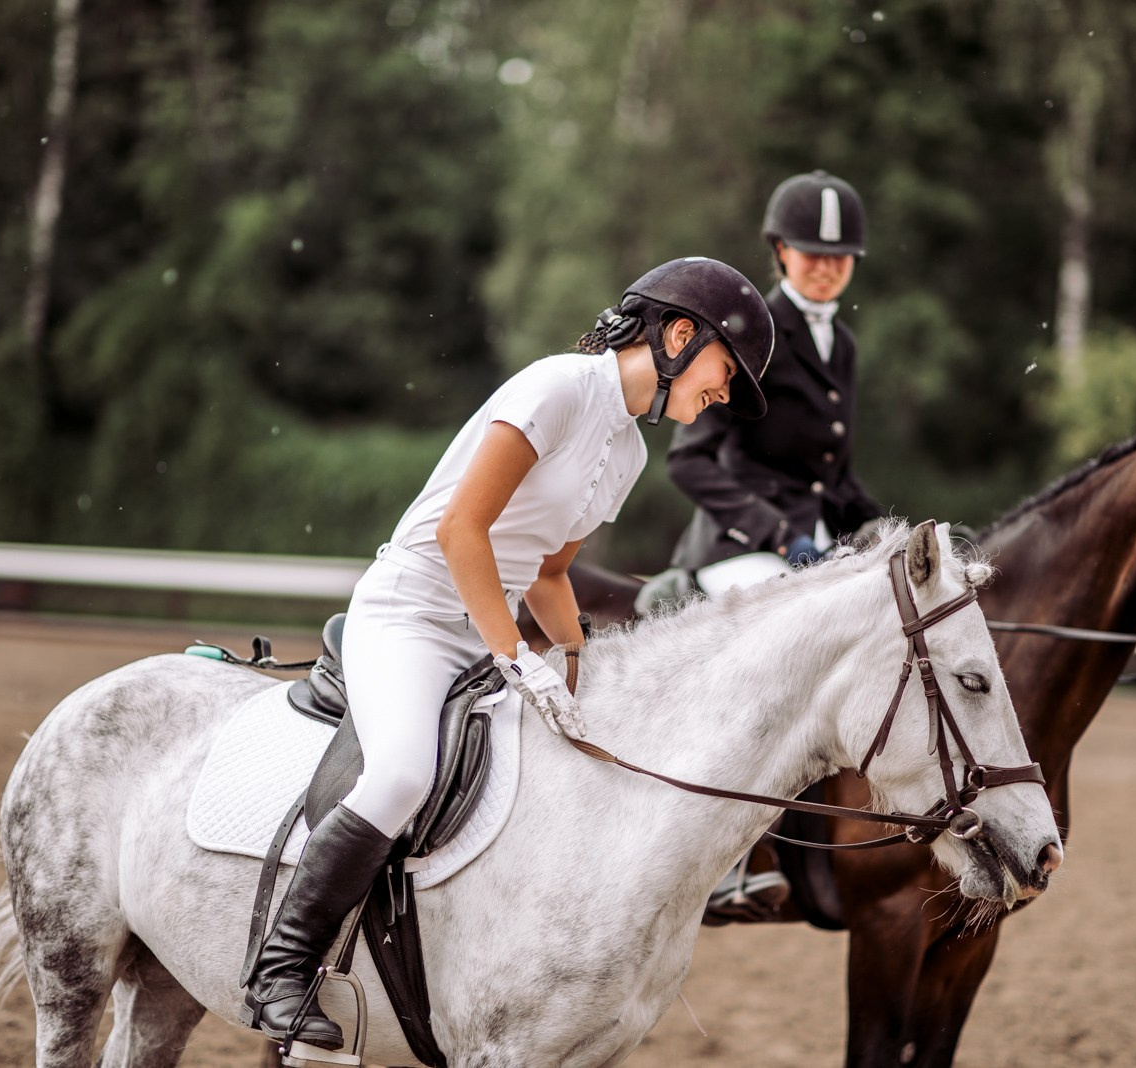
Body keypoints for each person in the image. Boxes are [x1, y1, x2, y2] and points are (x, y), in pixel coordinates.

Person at [242, 257, 775, 1051]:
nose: (723, 393)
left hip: (483, 634)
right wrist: (514, 655)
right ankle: (279, 971)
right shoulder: (558, 387)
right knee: (400, 774)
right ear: (677, 335)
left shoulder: (627, 452)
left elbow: (552, 571)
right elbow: (464, 530)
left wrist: (575, 658)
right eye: (724, 372)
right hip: (412, 613)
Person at [660, 171, 885, 921]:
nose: (824, 265)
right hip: (737, 547)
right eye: (810, 252)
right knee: (780, 656)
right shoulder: (753, 332)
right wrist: (777, 533)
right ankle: (727, 860)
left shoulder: (842, 344)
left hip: (811, 550)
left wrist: (901, 534)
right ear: (780, 252)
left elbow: (838, 477)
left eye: (838, 255)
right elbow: (690, 458)